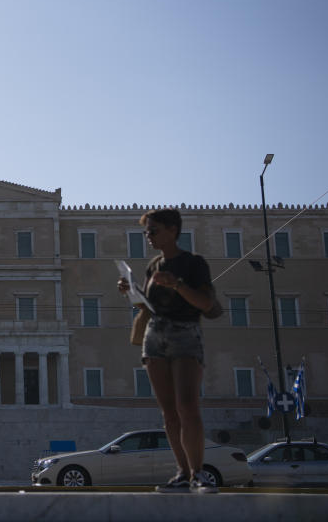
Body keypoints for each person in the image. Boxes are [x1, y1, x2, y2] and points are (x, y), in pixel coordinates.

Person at [117, 208, 218, 494]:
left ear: (173, 229)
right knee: (169, 413)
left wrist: (177, 284)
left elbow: (205, 303)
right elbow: (150, 307)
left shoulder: (193, 263)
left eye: (153, 230)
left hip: (185, 334)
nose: (148, 236)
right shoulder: (153, 266)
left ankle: (199, 473)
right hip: (155, 336)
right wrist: (132, 292)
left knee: (188, 406)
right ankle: (183, 473)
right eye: (146, 231)